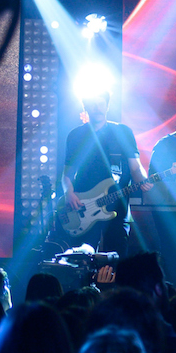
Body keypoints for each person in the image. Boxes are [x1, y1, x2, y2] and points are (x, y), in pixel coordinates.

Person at [62, 90, 153, 256]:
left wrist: (143, 180)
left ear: (107, 106)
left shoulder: (122, 132)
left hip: (118, 205)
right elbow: (67, 174)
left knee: (116, 257)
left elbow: (135, 167)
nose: (97, 108)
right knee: (82, 257)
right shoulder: (76, 135)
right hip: (84, 207)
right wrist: (69, 193)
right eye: (93, 104)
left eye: (101, 104)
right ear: (85, 107)